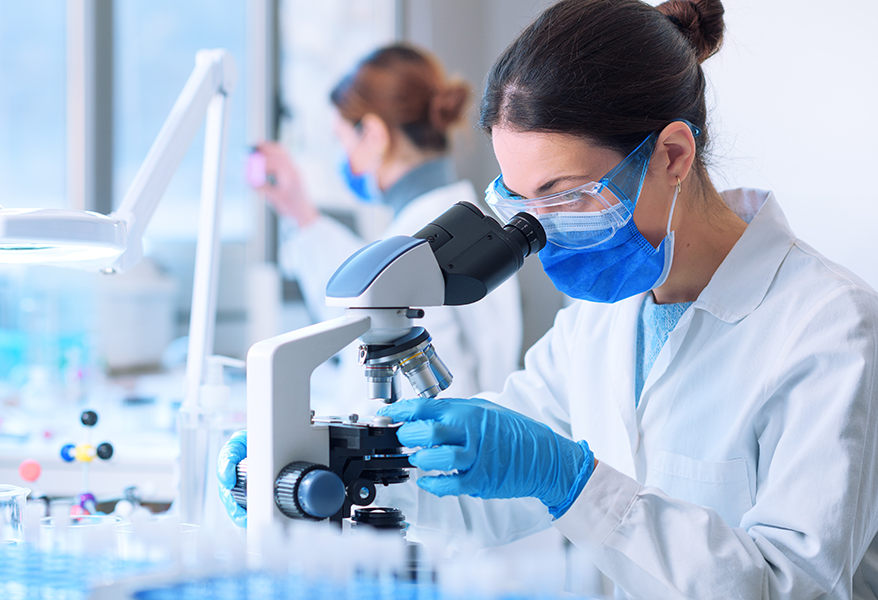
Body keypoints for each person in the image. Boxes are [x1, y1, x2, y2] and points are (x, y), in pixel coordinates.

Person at [225, 0, 878, 596]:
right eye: (523, 201)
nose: (546, 232)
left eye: (566, 196)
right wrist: (334, 460)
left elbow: (794, 587)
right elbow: (488, 487)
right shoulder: (599, 320)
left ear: (673, 156)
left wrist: (575, 481)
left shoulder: (828, 330)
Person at [251, 44, 523, 405]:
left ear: (374, 135)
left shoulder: (424, 238)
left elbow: (438, 390)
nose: (343, 158)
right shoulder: (454, 220)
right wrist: (300, 213)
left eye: (341, 140)